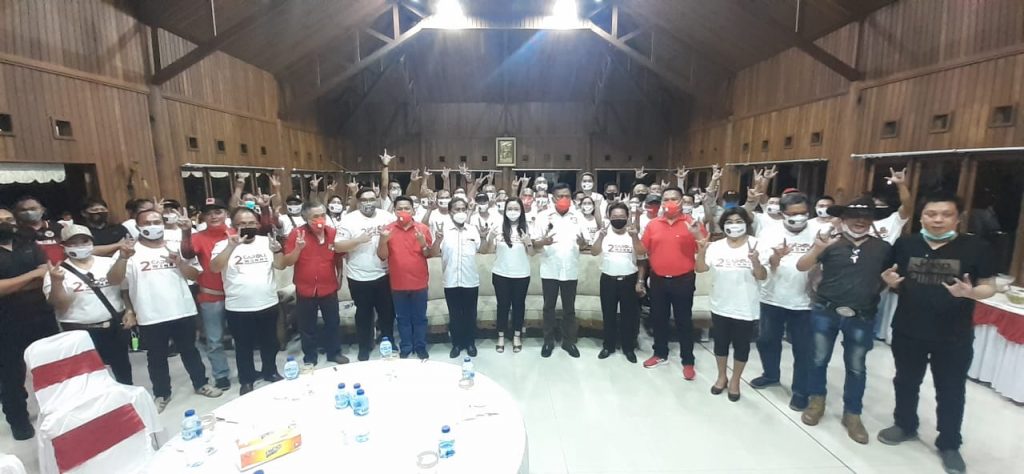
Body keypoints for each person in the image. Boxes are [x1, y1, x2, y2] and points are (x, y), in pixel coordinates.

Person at [877, 192, 995, 474]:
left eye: (946, 214)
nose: (938, 220)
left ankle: (949, 443)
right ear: (921, 217)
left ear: (958, 218)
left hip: (953, 334)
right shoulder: (905, 244)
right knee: (905, 381)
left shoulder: (976, 247)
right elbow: (892, 277)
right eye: (931, 214)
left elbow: (990, 286)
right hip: (908, 328)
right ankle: (905, 424)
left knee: (951, 390)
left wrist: (970, 293)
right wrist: (890, 282)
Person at [796, 196, 892, 444]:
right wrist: (817, 249)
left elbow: (888, 278)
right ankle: (816, 402)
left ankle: (853, 414)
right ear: (843, 218)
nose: (859, 221)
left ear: (872, 220)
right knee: (818, 359)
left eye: (866, 216)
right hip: (825, 310)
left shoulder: (883, 248)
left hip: (862, 314)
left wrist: (880, 288)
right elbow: (801, 266)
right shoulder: (830, 242)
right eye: (853, 216)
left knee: (857, 366)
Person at [107, 209, 223, 413]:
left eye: (156, 221)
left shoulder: (178, 246)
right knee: (156, 357)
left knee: (190, 351)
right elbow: (115, 281)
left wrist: (179, 263)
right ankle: (162, 393)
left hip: (182, 310)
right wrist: (123, 258)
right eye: (147, 223)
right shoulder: (129, 251)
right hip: (150, 314)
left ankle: (201, 383)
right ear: (138, 226)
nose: (153, 226)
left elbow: (195, 275)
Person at [210, 208, 290, 395]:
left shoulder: (267, 241)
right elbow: (214, 268)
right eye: (242, 224)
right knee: (243, 346)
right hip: (238, 307)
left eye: (251, 223)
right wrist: (231, 247)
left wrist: (277, 250)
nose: (247, 226)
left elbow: (280, 265)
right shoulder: (223, 244)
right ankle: (246, 379)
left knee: (270, 342)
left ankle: (270, 371)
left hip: (267, 303)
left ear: (258, 224)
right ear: (233, 225)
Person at [750, 192, 817, 411]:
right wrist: (776, 257)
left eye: (803, 213)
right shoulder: (770, 232)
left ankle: (801, 391)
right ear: (782, 214)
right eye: (793, 214)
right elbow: (763, 263)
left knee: (803, 348)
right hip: (773, 296)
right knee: (767, 340)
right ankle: (771, 374)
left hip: (805, 301)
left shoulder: (818, 231)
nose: (799, 218)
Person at [43, 224, 133, 385]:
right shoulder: (57, 271)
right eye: (73, 243)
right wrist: (57, 282)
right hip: (79, 330)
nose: (80, 246)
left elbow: (121, 286)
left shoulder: (108, 263)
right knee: (88, 376)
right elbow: (59, 304)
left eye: (84, 241)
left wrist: (130, 310)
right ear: (63, 246)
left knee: (123, 369)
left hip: (113, 326)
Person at [0, 207, 59, 440]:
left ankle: (57, 412)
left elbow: (47, 274)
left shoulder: (29, 244)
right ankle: (19, 422)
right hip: (5, 325)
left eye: (8, 219)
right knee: (11, 377)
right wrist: (32, 275)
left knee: (51, 369)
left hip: (41, 317)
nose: (5, 223)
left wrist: (13, 284)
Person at [697, 208, 766, 401]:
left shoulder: (757, 244)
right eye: (729, 222)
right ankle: (721, 376)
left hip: (746, 306)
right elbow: (700, 269)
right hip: (720, 304)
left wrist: (755, 261)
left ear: (746, 224)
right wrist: (702, 251)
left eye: (738, 221)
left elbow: (762, 276)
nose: (734, 225)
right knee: (720, 343)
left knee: (741, 346)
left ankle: (735, 380)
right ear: (723, 226)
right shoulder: (716, 246)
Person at [640, 187, 703, 379]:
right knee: (659, 319)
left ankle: (688, 360)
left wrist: (697, 235)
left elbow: (704, 247)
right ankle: (660, 353)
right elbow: (642, 249)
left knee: (684, 321)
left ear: (682, 201)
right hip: (658, 279)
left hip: (683, 279)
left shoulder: (692, 223)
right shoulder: (653, 224)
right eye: (666, 199)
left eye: (674, 199)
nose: (670, 203)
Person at [280, 201, 349, 366]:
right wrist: (298, 248)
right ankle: (310, 357)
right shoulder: (296, 234)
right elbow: (287, 261)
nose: (320, 220)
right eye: (315, 216)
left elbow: (338, 256)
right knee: (307, 326)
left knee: (333, 322)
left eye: (323, 215)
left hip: (329, 287)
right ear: (305, 218)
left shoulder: (332, 232)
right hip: (305, 289)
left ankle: (334, 353)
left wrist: (340, 275)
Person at [335, 188, 396, 361]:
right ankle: (364, 346)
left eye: (372, 199)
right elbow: (337, 246)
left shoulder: (387, 217)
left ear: (376, 200)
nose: (368, 203)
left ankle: (389, 341)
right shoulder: (349, 220)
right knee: (363, 314)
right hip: (358, 276)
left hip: (384, 273)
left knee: (387, 312)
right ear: (358, 201)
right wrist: (358, 240)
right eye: (364, 200)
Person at [180, 198, 232, 390]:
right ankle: (221, 374)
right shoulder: (197, 237)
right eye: (208, 213)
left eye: (218, 212)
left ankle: (247, 370)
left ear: (226, 214)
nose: (213, 216)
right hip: (211, 296)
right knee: (214, 340)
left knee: (243, 337)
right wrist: (186, 231)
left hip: (237, 295)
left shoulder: (236, 233)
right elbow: (187, 253)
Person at [534, 183, 588, 358]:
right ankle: (548, 341)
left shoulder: (578, 216)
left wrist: (582, 243)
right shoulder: (543, 216)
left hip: (570, 268)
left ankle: (568, 342)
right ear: (553, 198)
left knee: (569, 309)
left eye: (567, 196)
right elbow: (534, 243)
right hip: (550, 268)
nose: (564, 199)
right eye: (560, 196)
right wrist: (543, 242)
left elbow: (584, 243)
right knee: (548, 307)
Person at [378, 196, 434, 359]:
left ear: (413, 210)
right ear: (395, 211)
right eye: (400, 209)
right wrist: (383, 241)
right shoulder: (388, 230)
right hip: (398, 284)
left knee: (420, 318)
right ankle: (406, 346)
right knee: (402, 318)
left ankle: (420, 346)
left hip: (419, 282)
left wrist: (422, 243)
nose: (403, 211)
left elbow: (428, 254)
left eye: (407, 208)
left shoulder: (422, 229)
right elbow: (382, 256)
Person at [591, 202, 646, 363]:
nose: (618, 219)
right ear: (609, 217)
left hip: (629, 280)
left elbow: (642, 255)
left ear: (627, 217)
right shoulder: (603, 233)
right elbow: (594, 252)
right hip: (608, 280)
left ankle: (628, 347)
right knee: (608, 315)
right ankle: (608, 346)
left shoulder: (633, 233)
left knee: (629, 316)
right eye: (614, 216)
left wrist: (634, 236)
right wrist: (601, 236)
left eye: (622, 216)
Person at [481, 198, 534, 353]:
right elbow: (488, 251)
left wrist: (528, 242)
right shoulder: (497, 226)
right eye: (509, 209)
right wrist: (490, 238)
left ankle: (517, 335)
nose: (512, 212)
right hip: (501, 274)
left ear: (521, 211)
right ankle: (501, 336)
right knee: (502, 306)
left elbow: (532, 253)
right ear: (505, 211)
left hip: (521, 274)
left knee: (519, 305)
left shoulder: (527, 227)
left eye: (516, 209)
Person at [432, 198, 483, 358]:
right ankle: (456, 344)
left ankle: (470, 343)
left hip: (470, 280)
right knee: (455, 315)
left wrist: (485, 237)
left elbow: (483, 250)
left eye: (463, 209)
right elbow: (434, 253)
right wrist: (437, 239)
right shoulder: (443, 231)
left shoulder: (473, 230)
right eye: (457, 209)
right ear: (450, 212)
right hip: (451, 280)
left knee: (470, 314)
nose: (460, 212)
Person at [14, 196, 64, 264]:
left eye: (33, 209)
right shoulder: (16, 232)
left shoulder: (57, 227)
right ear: (17, 213)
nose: (28, 212)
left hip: (61, 267)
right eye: (23, 210)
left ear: (43, 210)